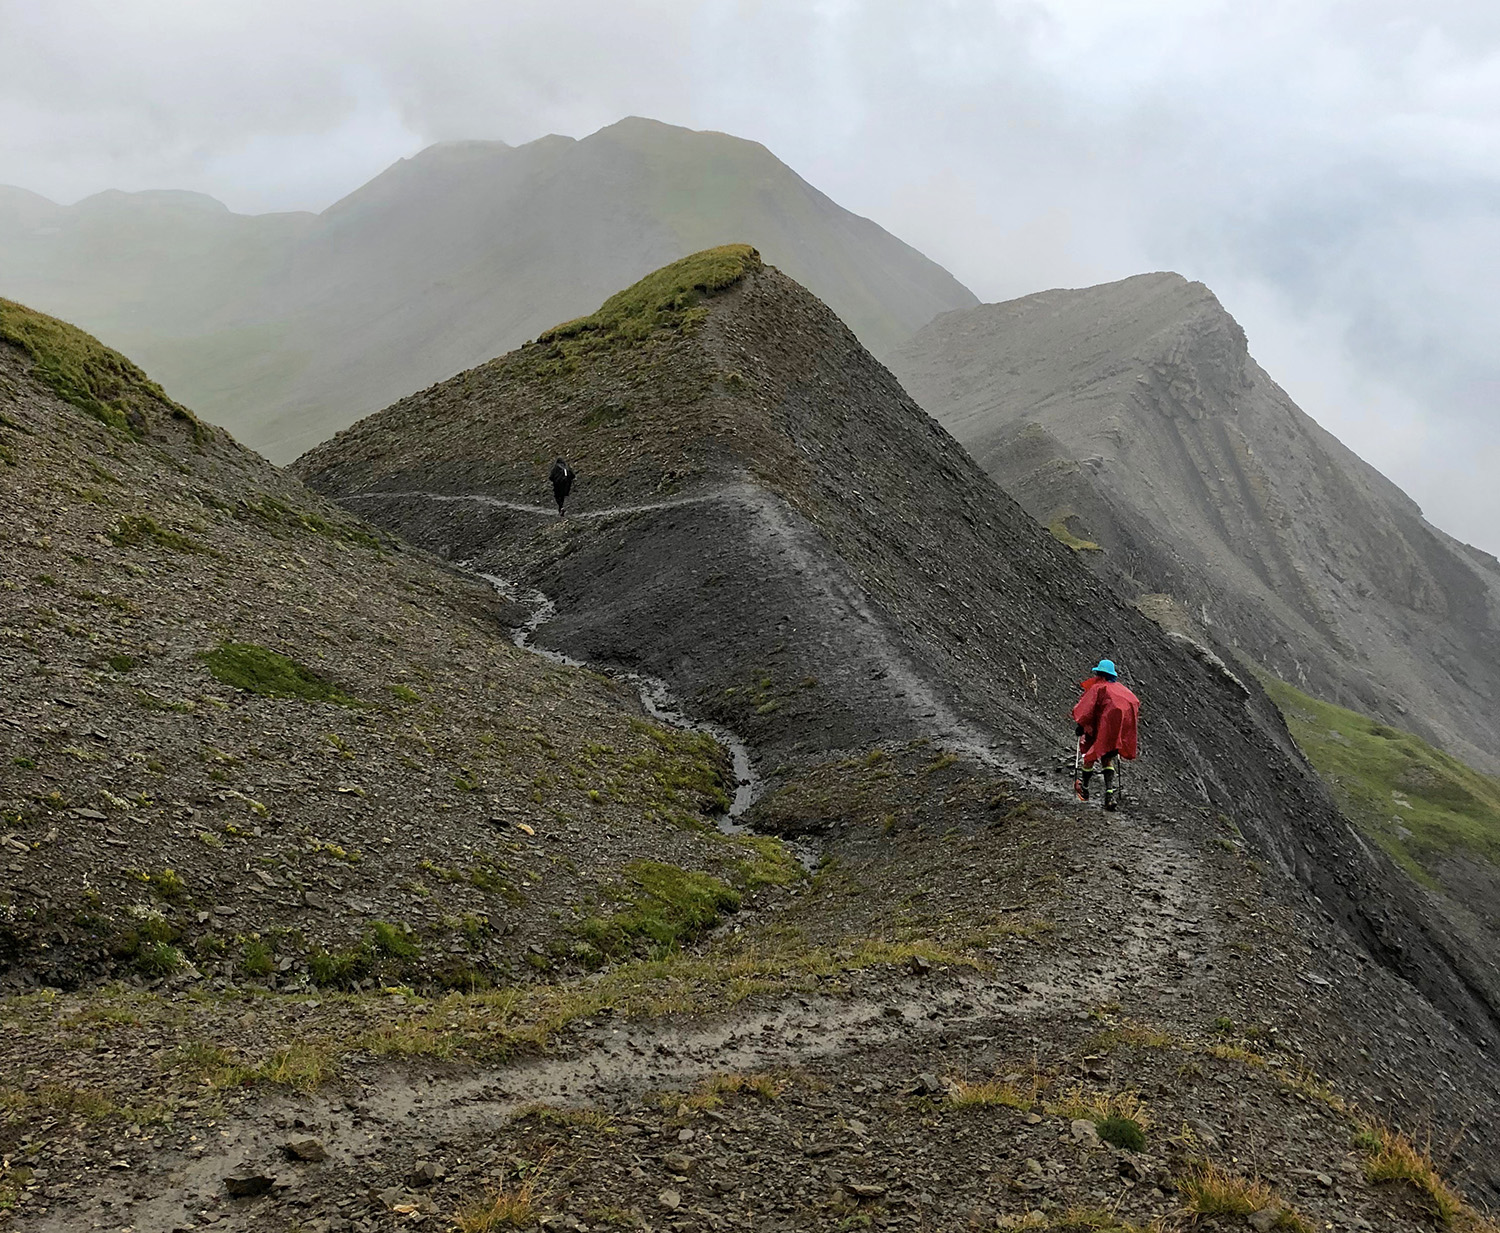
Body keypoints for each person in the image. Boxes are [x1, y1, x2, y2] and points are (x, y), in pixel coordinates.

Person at [1072, 659, 1139, 812]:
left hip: (1097, 730)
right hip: (1114, 734)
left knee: (1089, 758)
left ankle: (1085, 788)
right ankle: (1109, 794)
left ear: (1099, 673)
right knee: (1107, 759)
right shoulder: (1123, 692)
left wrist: (1081, 725)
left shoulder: (1097, 688)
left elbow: (1087, 709)